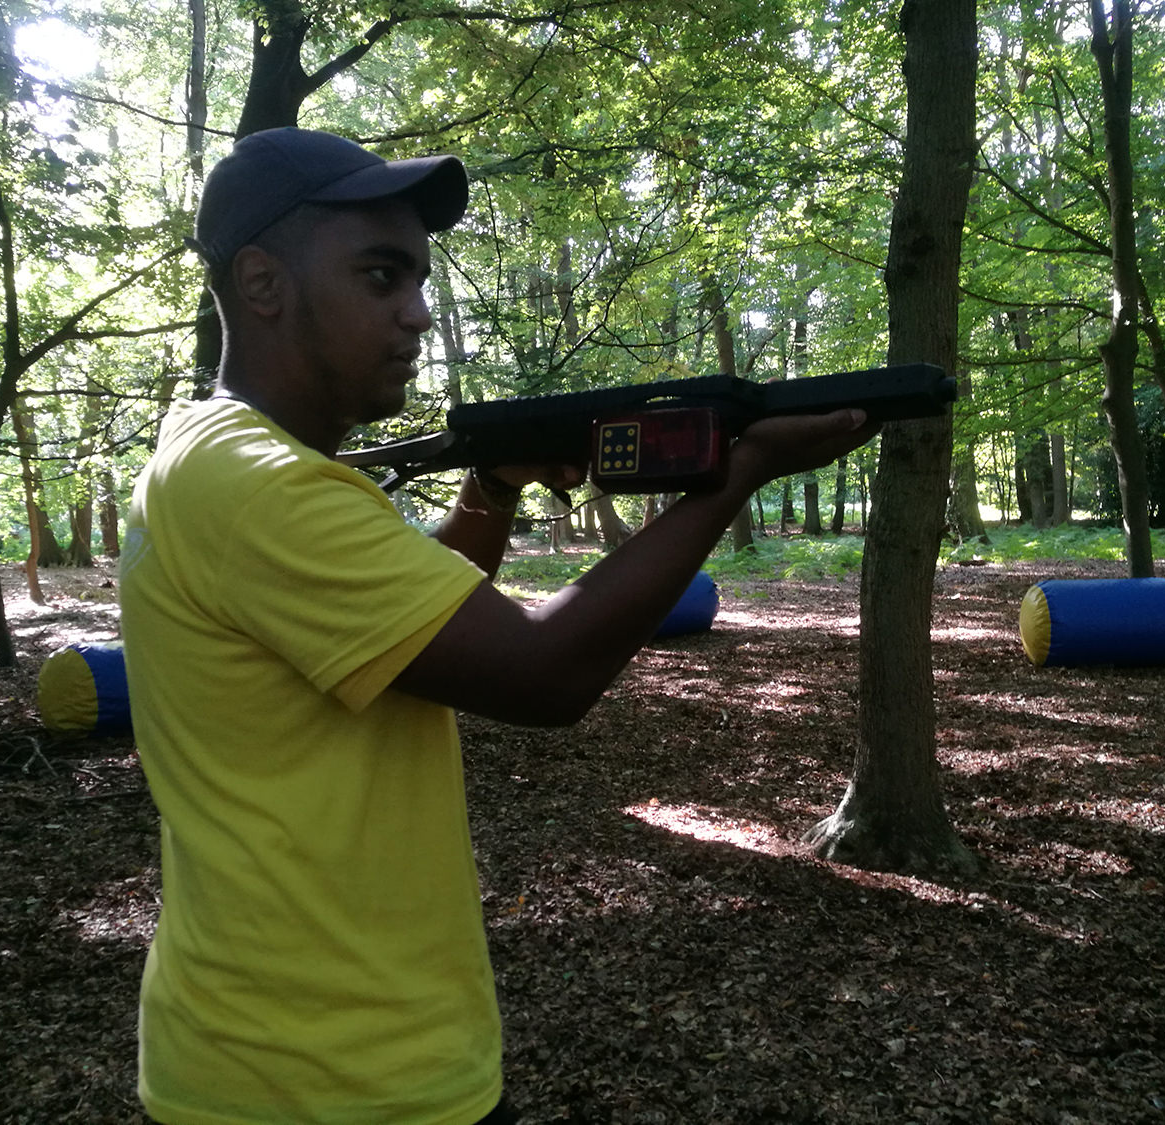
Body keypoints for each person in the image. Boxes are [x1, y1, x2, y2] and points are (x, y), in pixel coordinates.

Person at [118, 126, 878, 1125]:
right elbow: (540, 674)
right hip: (321, 1079)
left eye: (419, 280)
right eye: (381, 276)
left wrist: (491, 486)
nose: (418, 314)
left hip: (308, 1048)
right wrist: (730, 481)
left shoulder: (215, 456)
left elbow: (414, 634)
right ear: (262, 283)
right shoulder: (259, 485)